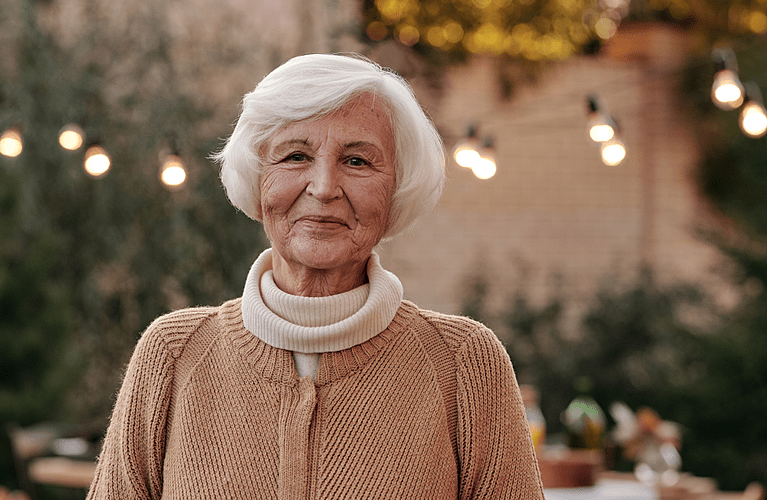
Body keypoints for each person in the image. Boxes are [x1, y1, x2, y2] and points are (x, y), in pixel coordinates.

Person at [87, 53, 544, 499]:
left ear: (397, 188)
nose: (324, 187)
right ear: (258, 176)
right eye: (295, 156)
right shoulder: (173, 353)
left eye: (358, 161)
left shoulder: (464, 363)